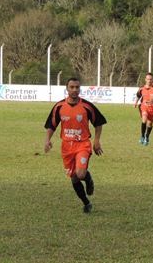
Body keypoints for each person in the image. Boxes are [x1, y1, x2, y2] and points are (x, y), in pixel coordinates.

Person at [44, 78, 107, 213]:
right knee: (73, 177)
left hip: (83, 144)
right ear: (67, 89)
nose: (74, 90)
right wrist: (47, 140)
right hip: (66, 147)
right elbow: (51, 124)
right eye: (72, 87)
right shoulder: (59, 106)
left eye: (77, 87)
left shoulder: (87, 106)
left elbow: (99, 122)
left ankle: (88, 179)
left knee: (80, 173)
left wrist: (96, 141)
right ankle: (86, 203)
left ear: (80, 89)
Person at [133, 73, 153, 146]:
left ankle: (147, 136)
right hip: (144, 107)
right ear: (145, 79)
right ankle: (142, 136)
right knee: (144, 120)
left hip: (152, 109)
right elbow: (138, 96)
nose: (149, 81)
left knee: (149, 124)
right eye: (148, 79)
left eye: (150, 79)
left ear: (152, 80)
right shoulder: (141, 89)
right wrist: (135, 103)